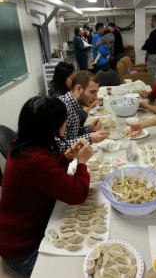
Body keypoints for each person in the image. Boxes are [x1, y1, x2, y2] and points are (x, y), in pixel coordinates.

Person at [0, 96, 92, 277]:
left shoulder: (23, 146)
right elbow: (77, 195)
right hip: (22, 251)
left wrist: (65, 157)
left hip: (15, 236)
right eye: (63, 120)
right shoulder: (34, 159)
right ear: (51, 127)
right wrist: (82, 163)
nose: (65, 123)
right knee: (80, 268)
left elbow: (45, 176)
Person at [58, 70, 109, 152]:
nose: (96, 97)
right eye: (92, 92)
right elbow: (59, 146)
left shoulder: (74, 104)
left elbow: (72, 134)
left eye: (96, 92)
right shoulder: (62, 108)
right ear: (78, 89)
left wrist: (89, 129)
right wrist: (90, 138)